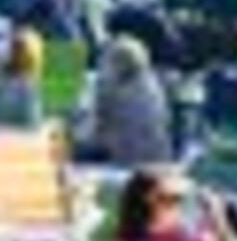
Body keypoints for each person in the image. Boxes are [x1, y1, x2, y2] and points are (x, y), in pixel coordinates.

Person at [73, 34, 174, 168]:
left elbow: (93, 134)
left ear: (118, 64)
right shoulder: (150, 84)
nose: (102, 67)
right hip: (159, 158)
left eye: (105, 63)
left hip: (125, 161)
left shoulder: (115, 92)